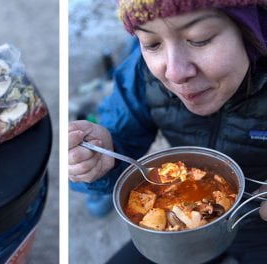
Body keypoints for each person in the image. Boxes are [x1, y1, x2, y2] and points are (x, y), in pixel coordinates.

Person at [69, 0, 267, 263]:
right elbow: (119, 135)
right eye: (152, 44)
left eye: (200, 39)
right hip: (176, 235)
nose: (174, 72)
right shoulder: (141, 74)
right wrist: (102, 156)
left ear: (252, 28)